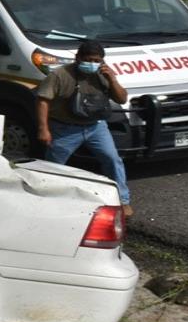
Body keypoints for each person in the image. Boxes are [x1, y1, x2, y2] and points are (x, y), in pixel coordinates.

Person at [35, 40, 133, 217]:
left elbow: (121, 99)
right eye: (88, 59)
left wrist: (112, 79)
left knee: (112, 159)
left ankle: (123, 201)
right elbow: (43, 100)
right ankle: (46, 199)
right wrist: (44, 129)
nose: (92, 64)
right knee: (53, 166)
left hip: (95, 126)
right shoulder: (60, 75)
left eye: (96, 60)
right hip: (65, 128)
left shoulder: (104, 75)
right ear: (78, 58)